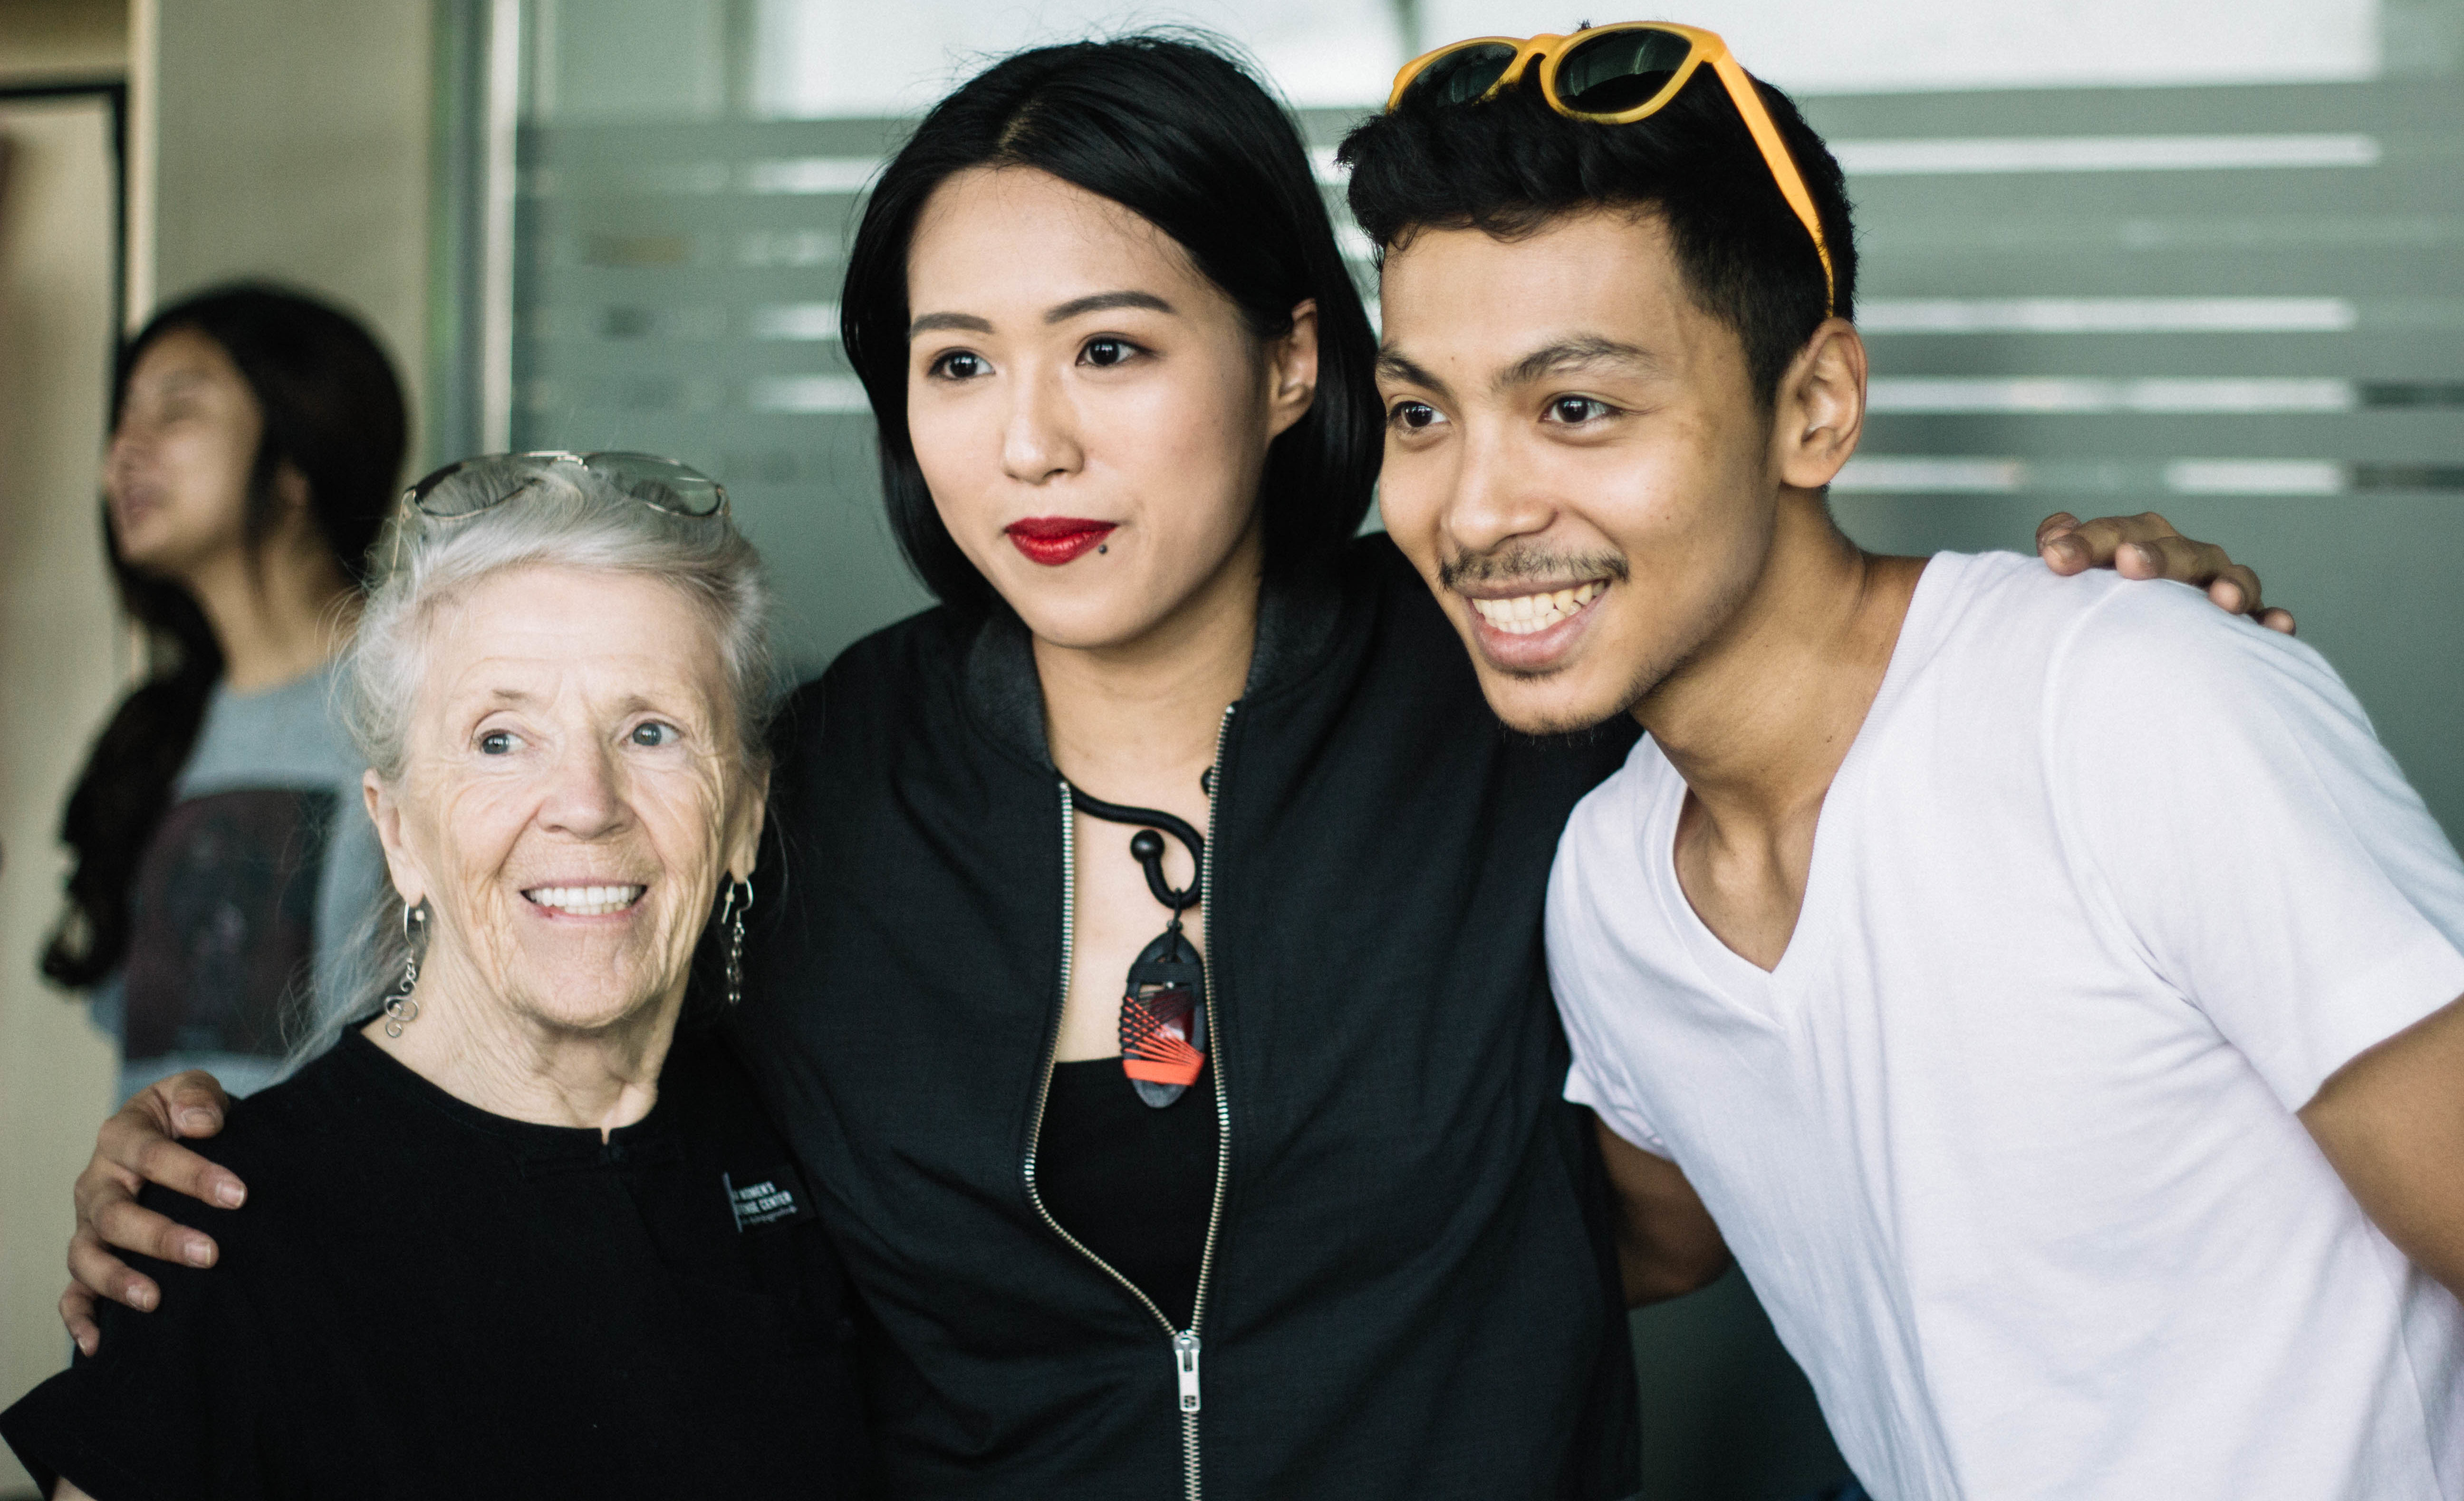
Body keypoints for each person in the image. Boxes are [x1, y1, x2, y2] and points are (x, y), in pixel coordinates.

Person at [56, 35, 2282, 1500]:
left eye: (1112, 350)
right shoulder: (826, 779)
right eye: (956, 364)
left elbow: (1835, 741)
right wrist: (248, 1184)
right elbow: (575, 1085)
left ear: (1293, 354)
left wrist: (2098, 596)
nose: (1028, 439)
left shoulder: (1514, 693)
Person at [1348, 21, 2464, 1499]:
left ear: (1815, 406)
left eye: (1577, 407)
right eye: (1421, 412)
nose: (1475, 506)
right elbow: (1635, 1235)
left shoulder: (2122, 701)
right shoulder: (1617, 882)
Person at [4, 454, 866, 1500]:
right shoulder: (219, 1229)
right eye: (501, 739)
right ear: (399, 830)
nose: (586, 803)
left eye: (652, 731)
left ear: (743, 818)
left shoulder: (811, 1148)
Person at [43, 284, 402, 1104]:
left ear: (298, 458)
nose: (122, 454)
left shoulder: (420, 699)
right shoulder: (153, 737)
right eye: (121, 421)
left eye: (176, 411)